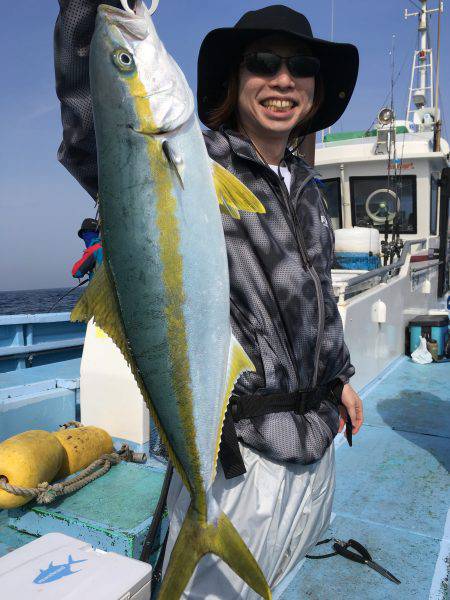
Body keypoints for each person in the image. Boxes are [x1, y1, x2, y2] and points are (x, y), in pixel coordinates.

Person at [54, 2, 363, 597]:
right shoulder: (196, 157)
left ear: (316, 90)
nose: (282, 79)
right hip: (237, 468)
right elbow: (95, 131)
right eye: (264, 64)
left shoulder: (306, 189)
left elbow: (315, 299)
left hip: (317, 450)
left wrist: (340, 378)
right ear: (236, 79)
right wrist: (85, 15)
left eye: (299, 66)